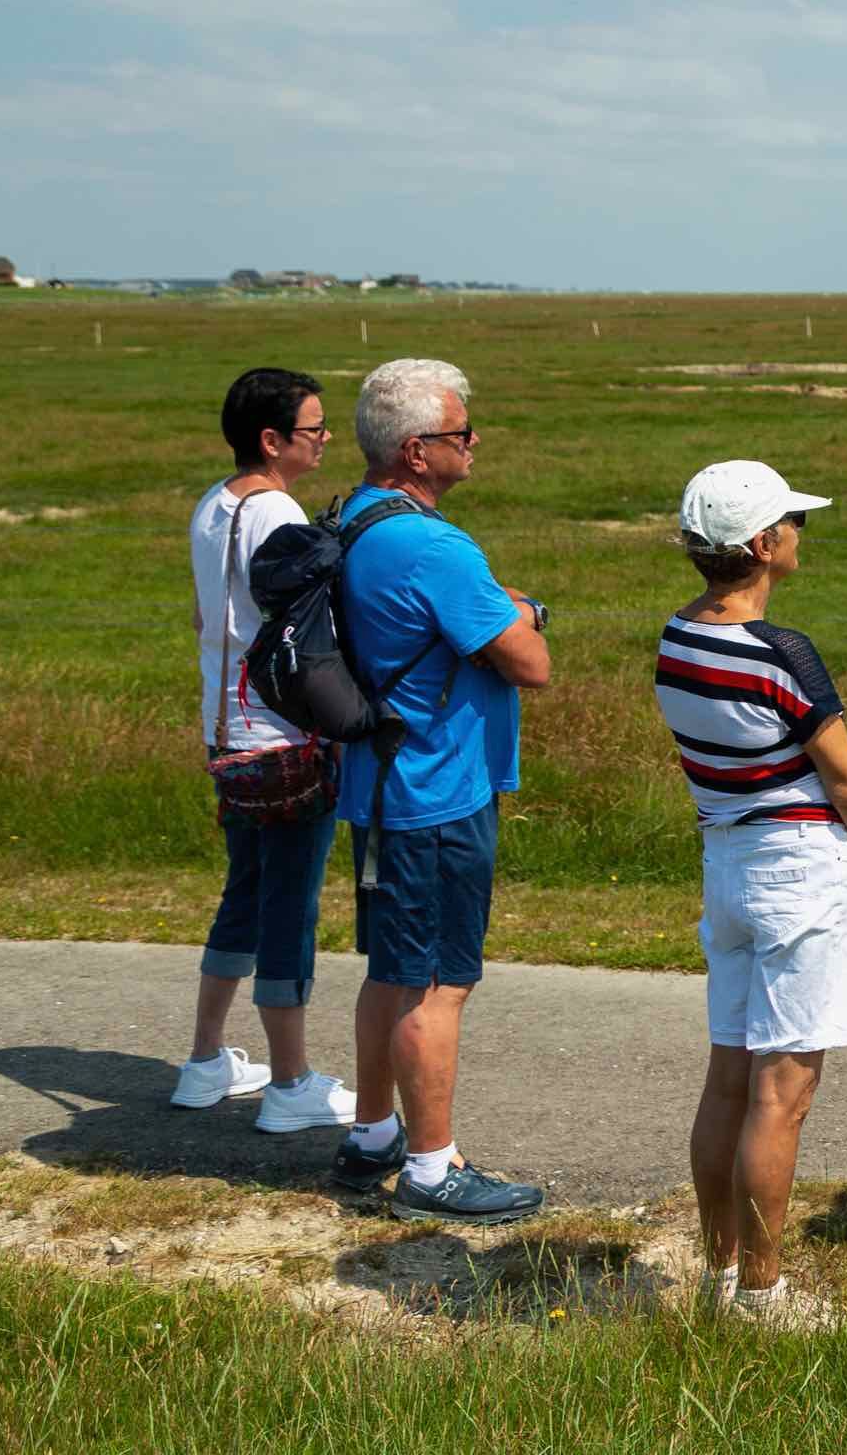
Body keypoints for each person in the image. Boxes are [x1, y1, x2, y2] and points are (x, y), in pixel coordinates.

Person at [657, 461, 847, 1327]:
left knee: (729, 1077)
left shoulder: (678, 637)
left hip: (727, 860)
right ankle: (762, 1292)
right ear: (762, 547)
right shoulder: (782, 652)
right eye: (792, 521)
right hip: (798, 868)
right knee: (781, 1094)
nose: (800, 531)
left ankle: (722, 1275)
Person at [326, 359, 552, 1222]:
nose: (475, 443)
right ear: (418, 451)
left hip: (381, 783)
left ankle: (374, 1133)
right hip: (437, 790)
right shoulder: (435, 544)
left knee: (391, 967)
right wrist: (524, 612)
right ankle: (430, 1170)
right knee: (436, 983)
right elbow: (530, 664)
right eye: (463, 433)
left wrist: (498, 608)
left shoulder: (353, 517)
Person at [175, 368, 357, 1133]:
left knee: (244, 894)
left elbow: (203, 615)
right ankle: (290, 1083)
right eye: (313, 430)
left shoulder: (212, 505)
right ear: (272, 440)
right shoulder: (277, 511)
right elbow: (303, 622)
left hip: (227, 733)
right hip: (283, 737)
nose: (323, 441)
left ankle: (205, 1060)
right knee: (290, 906)